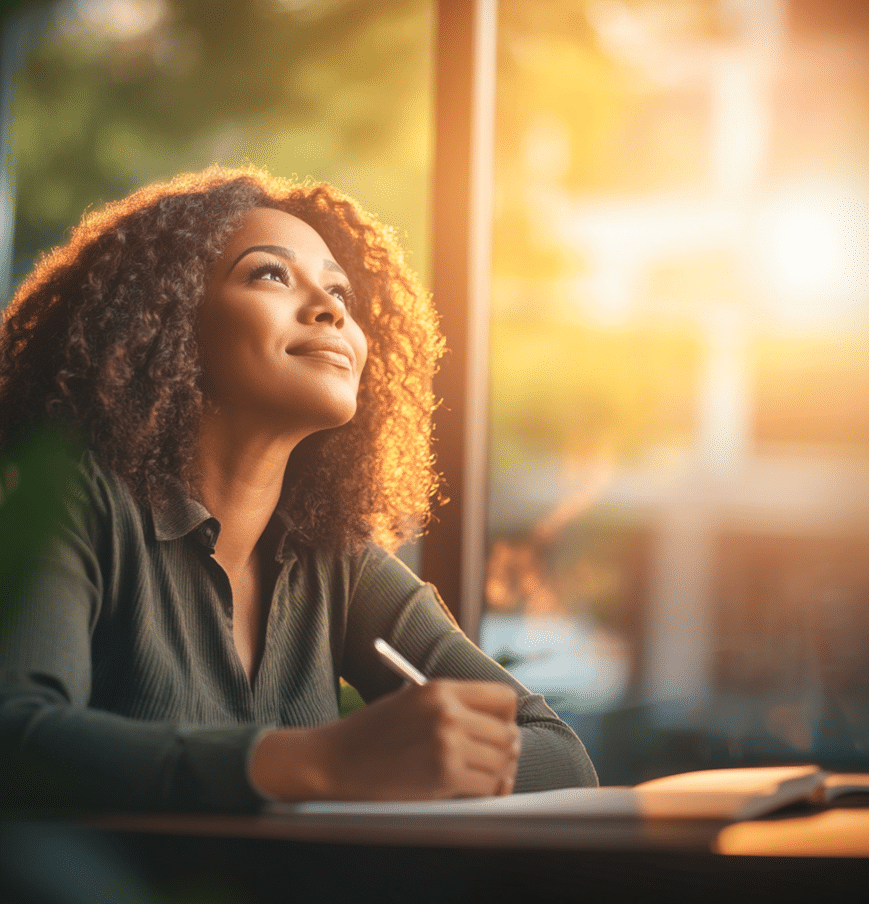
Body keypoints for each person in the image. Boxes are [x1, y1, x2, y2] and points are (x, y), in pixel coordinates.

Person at [0, 165, 597, 814]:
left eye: (340, 292)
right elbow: (16, 734)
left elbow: (558, 754)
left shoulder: (338, 561)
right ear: (166, 321)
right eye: (270, 274)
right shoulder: (78, 497)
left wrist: (439, 758)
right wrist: (314, 763)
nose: (330, 308)